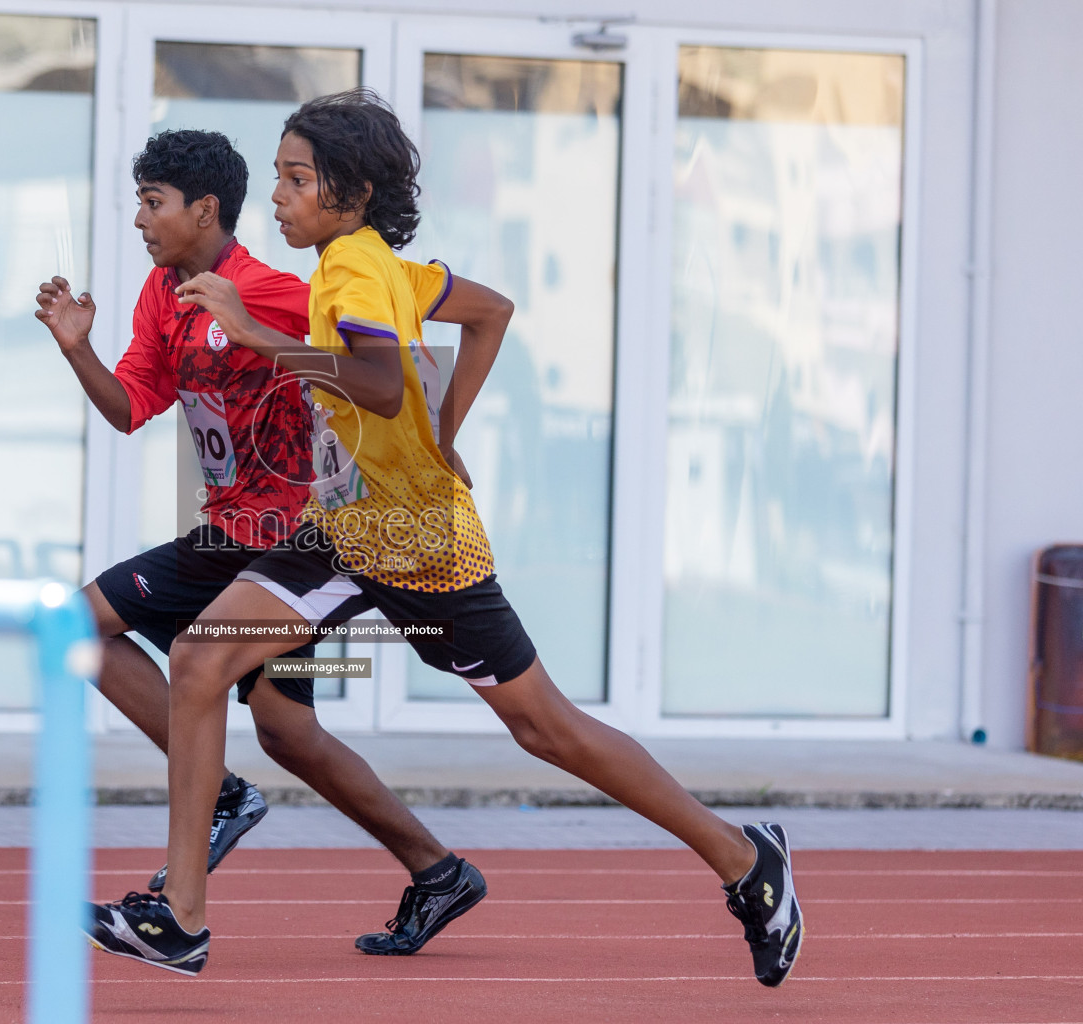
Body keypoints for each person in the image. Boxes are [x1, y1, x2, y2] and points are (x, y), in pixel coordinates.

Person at [89, 91, 803, 988]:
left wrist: (254, 333)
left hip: (421, 544)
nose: (277, 196)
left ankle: (744, 859)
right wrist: (448, 433)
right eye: (277, 175)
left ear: (351, 191)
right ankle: (180, 919)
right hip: (342, 530)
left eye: (296, 179)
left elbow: (383, 387)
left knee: (548, 731)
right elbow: (493, 311)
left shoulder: (351, 273)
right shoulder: (379, 261)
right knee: (199, 662)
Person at [36, 129, 485, 968]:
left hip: (281, 535)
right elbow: (132, 408)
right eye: (138, 201)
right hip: (238, 533)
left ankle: (217, 812)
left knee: (78, 625)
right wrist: (78, 351)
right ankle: (437, 869)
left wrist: (433, 449)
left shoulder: (275, 293)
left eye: (152, 202)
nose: (139, 218)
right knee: (286, 729)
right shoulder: (160, 297)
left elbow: (387, 371)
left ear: (203, 210)